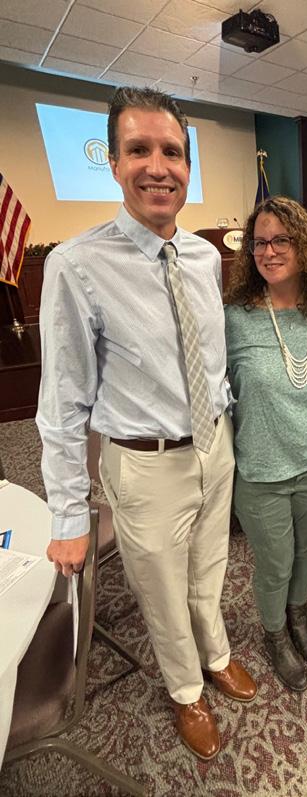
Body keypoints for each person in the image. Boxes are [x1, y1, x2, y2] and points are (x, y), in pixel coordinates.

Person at [36, 86, 256, 761]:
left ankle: (216, 654)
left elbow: (208, 358)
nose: (157, 167)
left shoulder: (204, 256)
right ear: (113, 162)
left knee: (209, 568)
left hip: (213, 445)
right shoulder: (76, 265)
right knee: (160, 589)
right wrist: (68, 514)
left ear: (188, 165)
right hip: (144, 462)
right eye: (139, 150)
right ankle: (186, 689)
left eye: (171, 152)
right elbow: (62, 401)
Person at [225, 196, 307, 691]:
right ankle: (275, 632)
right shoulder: (234, 318)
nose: (269, 251)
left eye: (282, 239)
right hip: (261, 472)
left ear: (305, 247)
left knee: (306, 548)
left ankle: (298, 614)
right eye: (259, 242)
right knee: (275, 562)